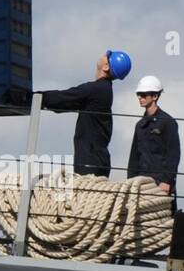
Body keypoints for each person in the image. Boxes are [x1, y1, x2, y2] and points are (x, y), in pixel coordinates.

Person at [37, 49, 132, 177]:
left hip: (90, 160)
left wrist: (34, 98)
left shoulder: (95, 89)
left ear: (106, 66)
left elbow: (64, 97)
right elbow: (65, 103)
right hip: (98, 159)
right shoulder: (104, 90)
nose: (104, 54)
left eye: (107, 55)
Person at [127, 75, 180, 196]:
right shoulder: (140, 125)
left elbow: (173, 154)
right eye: (138, 94)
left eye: (144, 94)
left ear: (155, 96)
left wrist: (167, 181)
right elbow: (134, 158)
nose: (140, 98)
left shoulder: (168, 122)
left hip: (161, 184)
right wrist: (130, 182)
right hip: (141, 184)